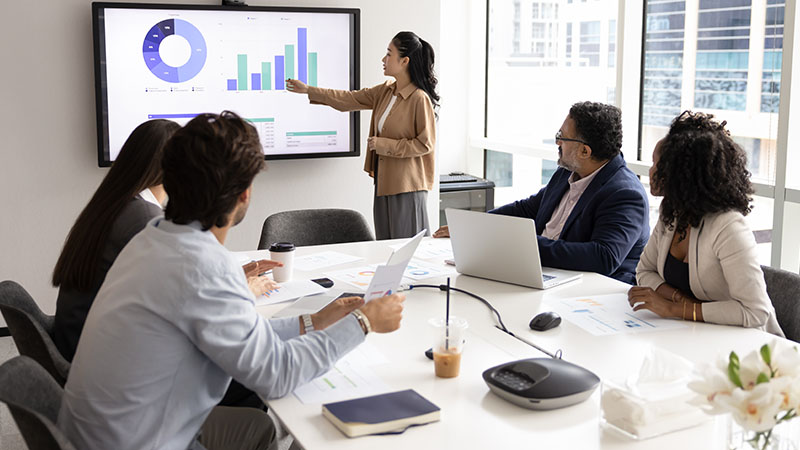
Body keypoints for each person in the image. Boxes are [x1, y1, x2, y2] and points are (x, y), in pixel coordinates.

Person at [57, 111, 405, 450]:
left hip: (97, 431)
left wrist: (313, 321)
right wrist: (363, 322)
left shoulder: (154, 236)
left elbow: (243, 333)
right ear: (244, 194)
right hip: (139, 440)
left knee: (257, 427)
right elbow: (277, 375)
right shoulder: (203, 266)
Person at [50, 119, 277, 410]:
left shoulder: (117, 203)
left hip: (79, 344)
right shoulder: (145, 220)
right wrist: (244, 291)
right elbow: (186, 313)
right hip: (110, 372)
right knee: (247, 375)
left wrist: (228, 281)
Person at [434, 102, 649, 284]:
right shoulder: (567, 172)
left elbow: (603, 257)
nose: (557, 142)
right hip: (544, 274)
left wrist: (524, 245)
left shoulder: (625, 193)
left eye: (562, 137)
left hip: (587, 288)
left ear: (585, 151)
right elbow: (527, 209)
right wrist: (474, 227)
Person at [628, 111, 784, 336]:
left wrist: (674, 308)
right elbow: (645, 270)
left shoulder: (728, 226)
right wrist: (680, 299)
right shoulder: (672, 211)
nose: (650, 171)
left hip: (747, 344)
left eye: (657, 164)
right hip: (694, 335)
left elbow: (755, 312)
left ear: (682, 174)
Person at [286, 31, 438, 240]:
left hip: (407, 187)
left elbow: (425, 144)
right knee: (385, 246)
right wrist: (308, 90)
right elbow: (349, 99)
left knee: (408, 248)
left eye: (389, 54)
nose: (383, 59)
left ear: (404, 61)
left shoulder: (419, 99)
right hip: (384, 184)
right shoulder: (385, 91)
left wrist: (384, 145)